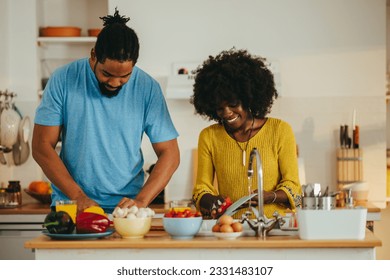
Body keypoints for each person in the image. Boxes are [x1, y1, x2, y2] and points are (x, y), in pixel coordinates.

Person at [32, 9, 180, 214]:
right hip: (72, 207)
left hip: (125, 211)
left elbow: (170, 153)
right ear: (93, 55)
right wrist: (78, 196)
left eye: (124, 76)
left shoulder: (147, 88)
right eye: (107, 74)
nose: (114, 82)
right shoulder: (63, 79)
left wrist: (141, 201)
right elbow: (41, 146)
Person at [190, 49, 301, 219]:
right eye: (220, 108)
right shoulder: (209, 136)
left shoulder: (280, 130)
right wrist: (210, 200)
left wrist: (270, 196)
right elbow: (201, 189)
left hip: (273, 226)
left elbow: (294, 187)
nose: (226, 113)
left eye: (233, 104)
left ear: (249, 98)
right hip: (229, 229)